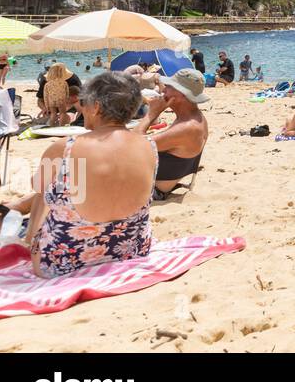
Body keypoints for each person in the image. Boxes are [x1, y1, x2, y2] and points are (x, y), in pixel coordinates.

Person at [11, 72, 157, 278]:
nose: (81, 107)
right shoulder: (149, 146)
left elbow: (37, 186)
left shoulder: (66, 148)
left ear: (96, 106)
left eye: (83, 102)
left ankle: (29, 242)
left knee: (44, 194)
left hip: (62, 262)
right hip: (130, 250)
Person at [139, 67, 209, 196]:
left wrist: (151, 114)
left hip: (153, 190)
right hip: (161, 181)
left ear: (182, 94)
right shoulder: (196, 118)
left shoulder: (187, 127)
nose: (163, 90)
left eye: (168, 86)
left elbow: (129, 144)